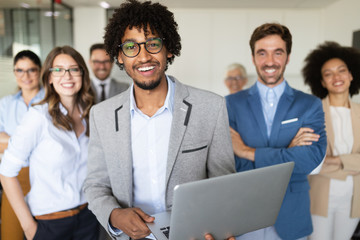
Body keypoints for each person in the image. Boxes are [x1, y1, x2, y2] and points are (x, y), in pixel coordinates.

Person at [82, 1, 235, 240]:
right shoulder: (101, 115)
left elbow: (224, 184)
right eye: (131, 47)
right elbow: (95, 185)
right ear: (119, 57)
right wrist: (115, 215)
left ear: (169, 49)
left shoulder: (211, 107)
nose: (144, 57)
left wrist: (220, 229)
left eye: (153, 44)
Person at [225, 23, 327, 240]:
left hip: (291, 216)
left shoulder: (309, 105)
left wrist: (247, 151)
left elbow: (309, 159)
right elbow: (228, 162)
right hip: (243, 216)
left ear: (288, 57)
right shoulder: (230, 104)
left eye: (277, 52)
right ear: (253, 58)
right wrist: (288, 151)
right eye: (262, 53)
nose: (270, 62)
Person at [0, 46, 98, 240]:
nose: (67, 76)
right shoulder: (38, 117)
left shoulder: (92, 114)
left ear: (83, 74)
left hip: (89, 217)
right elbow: (6, 172)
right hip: (50, 222)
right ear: (50, 78)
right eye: (58, 70)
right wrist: (29, 227)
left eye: (73, 69)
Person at [302, 41, 360, 240]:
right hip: (319, 196)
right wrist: (351, 163)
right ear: (322, 82)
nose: (336, 77)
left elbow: (325, 162)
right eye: (328, 73)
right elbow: (311, 161)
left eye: (341, 70)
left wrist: (336, 160)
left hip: (354, 199)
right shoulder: (312, 113)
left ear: (351, 75)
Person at [0, 50, 45, 240]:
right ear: (14, 72)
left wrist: (10, 141)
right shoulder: (5, 104)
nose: (25, 76)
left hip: (45, 176)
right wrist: (33, 141)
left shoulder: (51, 99)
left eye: (31, 70)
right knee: (11, 234)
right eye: (20, 70)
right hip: (15, 176)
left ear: (40, 71)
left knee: (44, 233)